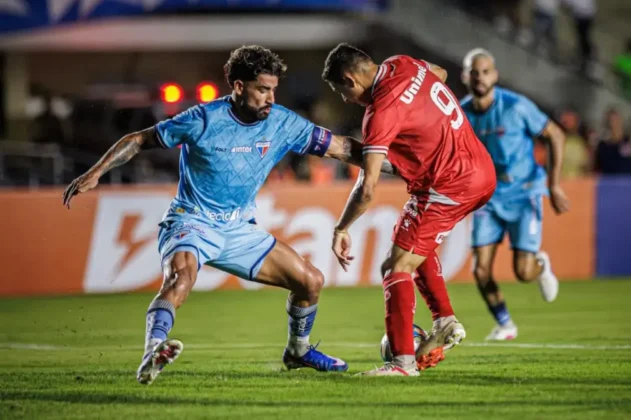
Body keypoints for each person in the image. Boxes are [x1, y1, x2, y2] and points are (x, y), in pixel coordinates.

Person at [62, 45, 396, 385]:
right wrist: (96, 171)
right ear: (238, 86)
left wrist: (396, 165)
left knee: (311, 281)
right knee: (180, 279)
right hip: (192, 221)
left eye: (273, 90)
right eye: (262, 89)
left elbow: (342, 148)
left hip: (238, 229)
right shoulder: (202, 119)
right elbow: (138, 140)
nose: (270, 98)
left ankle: (298, 351)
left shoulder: (282, 122)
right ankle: (153, 351)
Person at [322, 43, 497, 376]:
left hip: (449, 183)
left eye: (341, 91)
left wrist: (341, 228)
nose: (345, 99)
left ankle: (402, 364)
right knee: (409, 240)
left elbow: (367, 188)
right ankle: (444, 322)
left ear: (350, 79)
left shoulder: (380, 112)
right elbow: (440, 74)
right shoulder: (402, 63)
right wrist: (419, 118)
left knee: (395, 266)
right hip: (480, 169)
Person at [459, 48, 570, 341]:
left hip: (524, 193)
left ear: (495, 75)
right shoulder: (459, 114)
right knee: (480, 270)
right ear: (465, 77)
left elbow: (556, 135)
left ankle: (540, 265)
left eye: (485, 71)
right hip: (488, 196)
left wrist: (554, 185)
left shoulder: (516, 106)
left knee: (523, 272)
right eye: (474, 72)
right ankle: (506, 324)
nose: (480, 77)